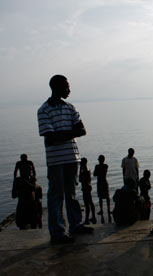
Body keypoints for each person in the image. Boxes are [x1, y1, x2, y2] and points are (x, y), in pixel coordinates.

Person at [37, 74, 93, 244]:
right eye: (66, 86)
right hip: (56, 160)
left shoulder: (71, 107)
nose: (69, 90)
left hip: (72, 158)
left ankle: (76, 224)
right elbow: (50, 137)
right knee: (56, 196)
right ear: (56, 87)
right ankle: (58, 233)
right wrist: (69, 133)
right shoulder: (43, 110)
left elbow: (82, 130)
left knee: (72, 194)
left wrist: (59, 135)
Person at [12, 154, 41, 229]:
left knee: (33, 225)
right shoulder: (18, 181)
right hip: (22, 208)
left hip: (31, 208)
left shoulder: (32, 180)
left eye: (28, 168)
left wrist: (25, 181)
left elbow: (34, 188)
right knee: (24, 225)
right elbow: (13, 195)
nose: (27, 170)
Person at [94, 155, 111, 223]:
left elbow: (96, 173)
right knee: (103, 197)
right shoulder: (104, 166)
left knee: (104, 197)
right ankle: (106, 209)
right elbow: (95, 174)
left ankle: (106, 209)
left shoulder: (100, 166)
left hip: (101, 181)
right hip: (102, 181)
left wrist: (98, 172)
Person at [79, 158, 96, 225]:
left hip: (85, 187)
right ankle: (93, 217)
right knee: (90, 202)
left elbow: (80, 179)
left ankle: (87, 219)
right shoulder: (88, 168)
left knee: (87, 203)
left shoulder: (83, 170)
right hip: (88, 186)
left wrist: (80, 170)